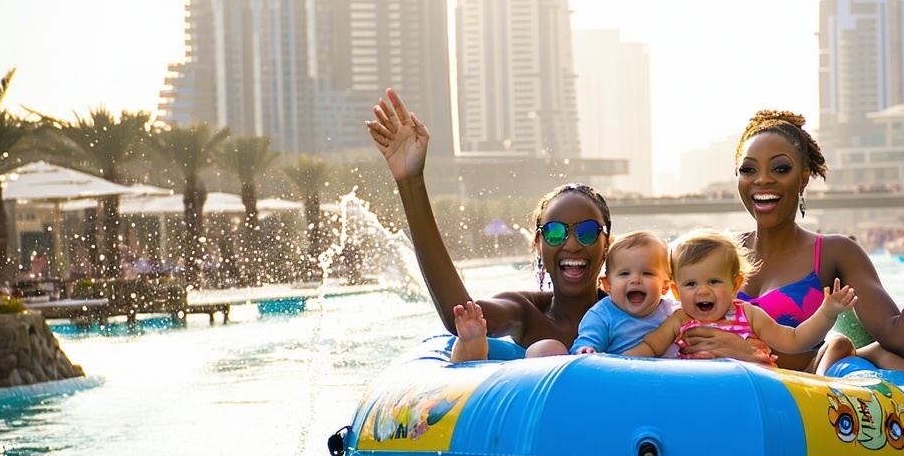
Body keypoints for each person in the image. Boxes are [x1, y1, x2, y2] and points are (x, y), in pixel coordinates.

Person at [676, 109, 904, 374]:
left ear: (803, 177)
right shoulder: (718, 254)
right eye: (748, 170)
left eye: (780, 168)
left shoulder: (835, 254)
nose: (762, 179)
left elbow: (903, 341)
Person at [367, 89, 611, 357]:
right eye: (555, 232)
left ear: (607, 245)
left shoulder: (632, 311)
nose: (572, 244)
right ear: (538, 245)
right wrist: (411, 182)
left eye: (587, 232)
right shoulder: (527, 312)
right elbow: (462, 316)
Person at [625, 229, 856, 373]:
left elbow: (794, 340)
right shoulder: (679, 320)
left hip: (752, 391)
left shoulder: (748, 314)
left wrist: (826, 313)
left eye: (714, 281)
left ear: (735, 285)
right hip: (699, 392)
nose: (703, 291)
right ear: (676, 292)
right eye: (691, 284)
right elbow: (650, 347)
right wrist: (613, 364)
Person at [454, 230, 677, 362]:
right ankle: (471, 346)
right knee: (546, 348)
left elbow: (690, 328)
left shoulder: (672, 311)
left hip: (666, 376)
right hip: (620, 377)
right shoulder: (603, 314)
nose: (635, 280)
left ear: (666, 286)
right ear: (607, 284)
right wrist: (586, 350)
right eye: (625, 274)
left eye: (647, 274)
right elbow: (589, 339)